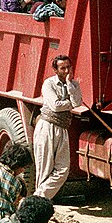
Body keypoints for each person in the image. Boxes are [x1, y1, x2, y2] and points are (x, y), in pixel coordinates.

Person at [34, 55, 76, 199]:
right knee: (44, 169)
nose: (66, 71)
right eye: (62, 68)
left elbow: (78, 102)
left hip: (63, 128)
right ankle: (40, 203)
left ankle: (38, 198)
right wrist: (70, 103)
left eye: (68, 67)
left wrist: (70, 84)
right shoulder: (48, 84)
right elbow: (55, 106)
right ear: (55, 70)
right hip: (47, 127)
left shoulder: (73, 84)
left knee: (63, 170)